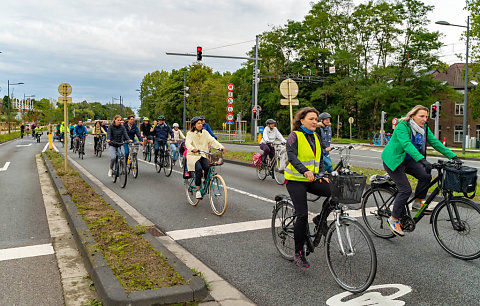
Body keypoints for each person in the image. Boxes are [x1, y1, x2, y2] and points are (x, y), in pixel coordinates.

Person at [381, 105, 459, 237]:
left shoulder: (424, 128)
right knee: (405, 189)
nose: (424, 119)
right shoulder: (402, 126)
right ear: (412, 116)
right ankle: (393, 220)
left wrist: (453, 156)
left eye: (426, 116)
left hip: (408, 160)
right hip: (393, 160)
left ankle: (417, 202)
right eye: (421, 116)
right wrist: (422, 160)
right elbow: (406, 144)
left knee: (425, 176)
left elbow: (435, 143)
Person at [284, 107, 332, 269]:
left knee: (335, 194)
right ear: (301, 120)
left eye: (315, 119)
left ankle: (320, 219)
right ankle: (298, 252)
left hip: (312, 178)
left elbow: (318, 158)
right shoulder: (294, 136)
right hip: (295, 180)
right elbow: (291, 156)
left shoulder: (316, 136)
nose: (314, 122)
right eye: (311, 119)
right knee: (302, 215)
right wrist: (304, 171)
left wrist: (322, 173)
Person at [185, 116, 226, 199]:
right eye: (198, 123)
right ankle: (198, 190)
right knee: (199, 169)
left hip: (203, 154)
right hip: (193, 156)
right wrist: (193, 149)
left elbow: (212, 140)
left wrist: (220, 147)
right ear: (194, 125)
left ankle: (205, 182)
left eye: (201, 123)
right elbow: (187, 143)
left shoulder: (205, 132)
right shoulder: (190, 134)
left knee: (207, 167)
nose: (200, 125)